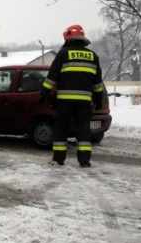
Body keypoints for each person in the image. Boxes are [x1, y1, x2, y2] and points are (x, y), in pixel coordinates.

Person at [40, 24, 104, 168]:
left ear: (68, 38)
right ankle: (84, 160)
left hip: (64, 101)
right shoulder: (93, 56)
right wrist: (98, 99)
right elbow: (97, 83)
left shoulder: (63, 54)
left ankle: (59, 159)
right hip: (84, 103)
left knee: (61, 128)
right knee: (83, 129)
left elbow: (52, 77)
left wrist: (43, 92)